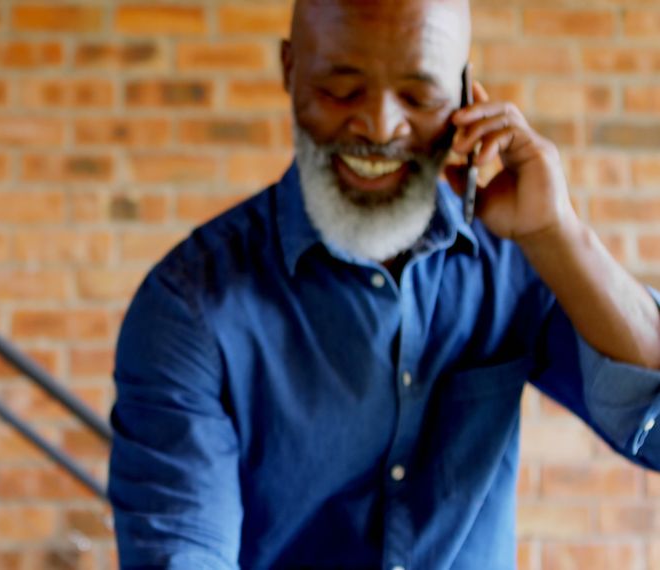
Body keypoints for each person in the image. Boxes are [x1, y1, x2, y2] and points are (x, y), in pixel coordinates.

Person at [107, 0, 660, 568]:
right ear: (290, 70)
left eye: (419, 97)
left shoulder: (519, 260)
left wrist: (560, 235)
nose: (379, 126)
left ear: (468, 94)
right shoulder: (187, 305)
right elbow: (182, 551)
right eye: (341, 90)